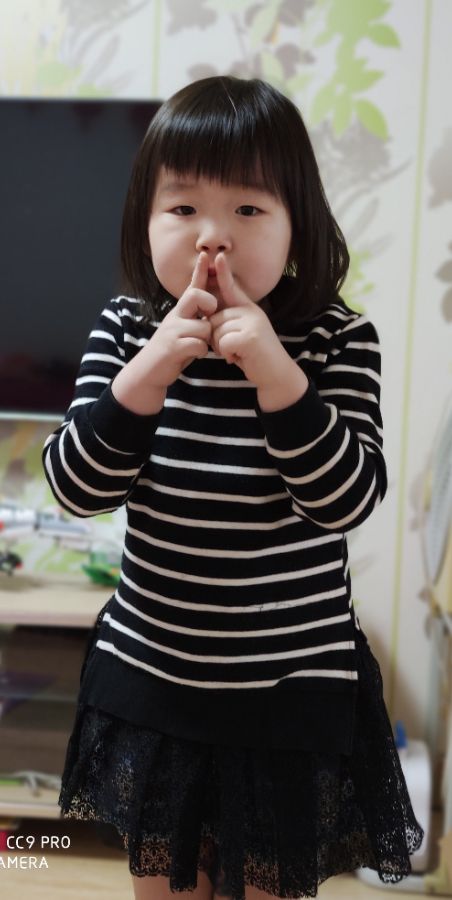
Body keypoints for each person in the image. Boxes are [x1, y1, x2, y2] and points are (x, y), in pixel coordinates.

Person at [42, 75, 423, 900]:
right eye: (183, 208)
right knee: (165, 885)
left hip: (288, 691)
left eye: (248, 209)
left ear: (297, 226)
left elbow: (347, 498)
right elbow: (75, 486)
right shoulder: (125, 331)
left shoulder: (336, 340)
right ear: (144, 222)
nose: (212, 236)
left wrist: (277, 374)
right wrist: (149, 373)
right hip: (154, 682)